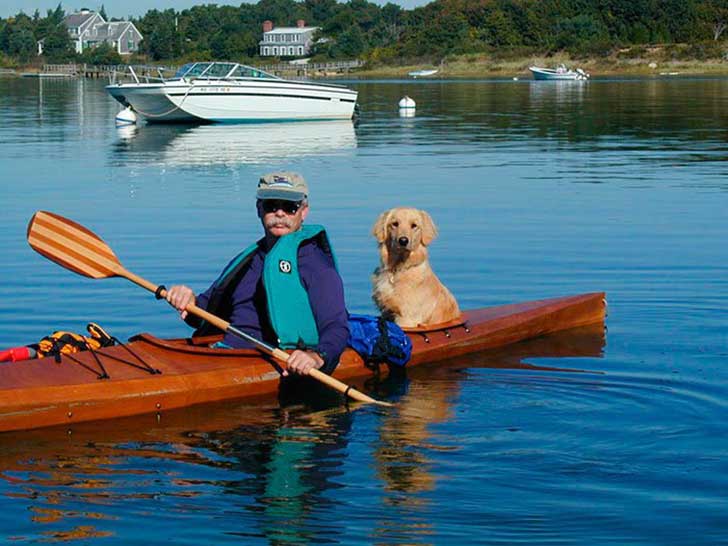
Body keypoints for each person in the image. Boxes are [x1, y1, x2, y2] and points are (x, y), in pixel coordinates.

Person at [165, 172, 349, 377]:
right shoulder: (246, 260)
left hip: (273, 360)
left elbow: (337, 326)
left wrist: (316, 357)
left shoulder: (316, 265)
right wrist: (188, 301)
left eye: (289, 207)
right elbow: (203, 312)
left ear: (303, 211)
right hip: (225, 355)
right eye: (271, 205)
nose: (280, 213)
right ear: (259, 209)